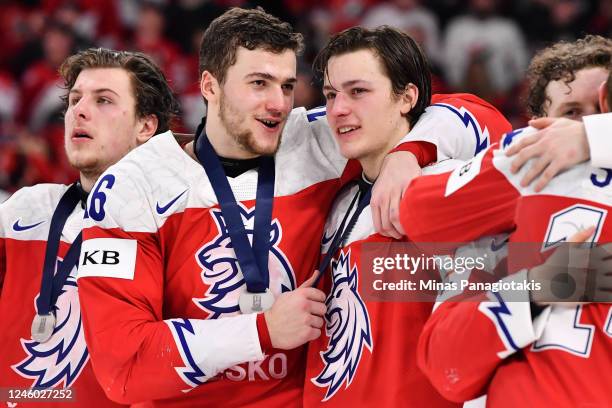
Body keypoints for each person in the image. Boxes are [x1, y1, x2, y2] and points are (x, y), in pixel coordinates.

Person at [76, 8, 511, 407]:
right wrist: (260, 332)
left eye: (287, 85)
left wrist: (410, 152)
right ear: (209, 86)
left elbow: (472, 117)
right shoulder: (132, 187)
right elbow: (123, 367)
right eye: (259, 83)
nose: (279, 104)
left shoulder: (318, 139)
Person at [302, 26, 511, 407]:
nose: (338, 109)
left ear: (407, 97)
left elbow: (565, 275)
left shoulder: (445, 188)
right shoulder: (335, 197)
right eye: (331, 94)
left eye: (358, 91)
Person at [398, 71, 612, 408]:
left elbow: (416, 211)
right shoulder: (487, 243)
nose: (582, 124)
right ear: (539, 125)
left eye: (596, 117)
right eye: (571, 114)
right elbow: (445, 363)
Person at [0, 48, 178, 406]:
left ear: (146, 125)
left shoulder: (176, 224)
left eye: (104, 101)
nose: (78, 111)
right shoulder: (24, 209)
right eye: (76, 99)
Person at [504, 35, 612, 191]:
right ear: (538, 126)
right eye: (572, 112)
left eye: (602, 105)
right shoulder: (514, 177)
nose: (589, 120)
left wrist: (590, 137)